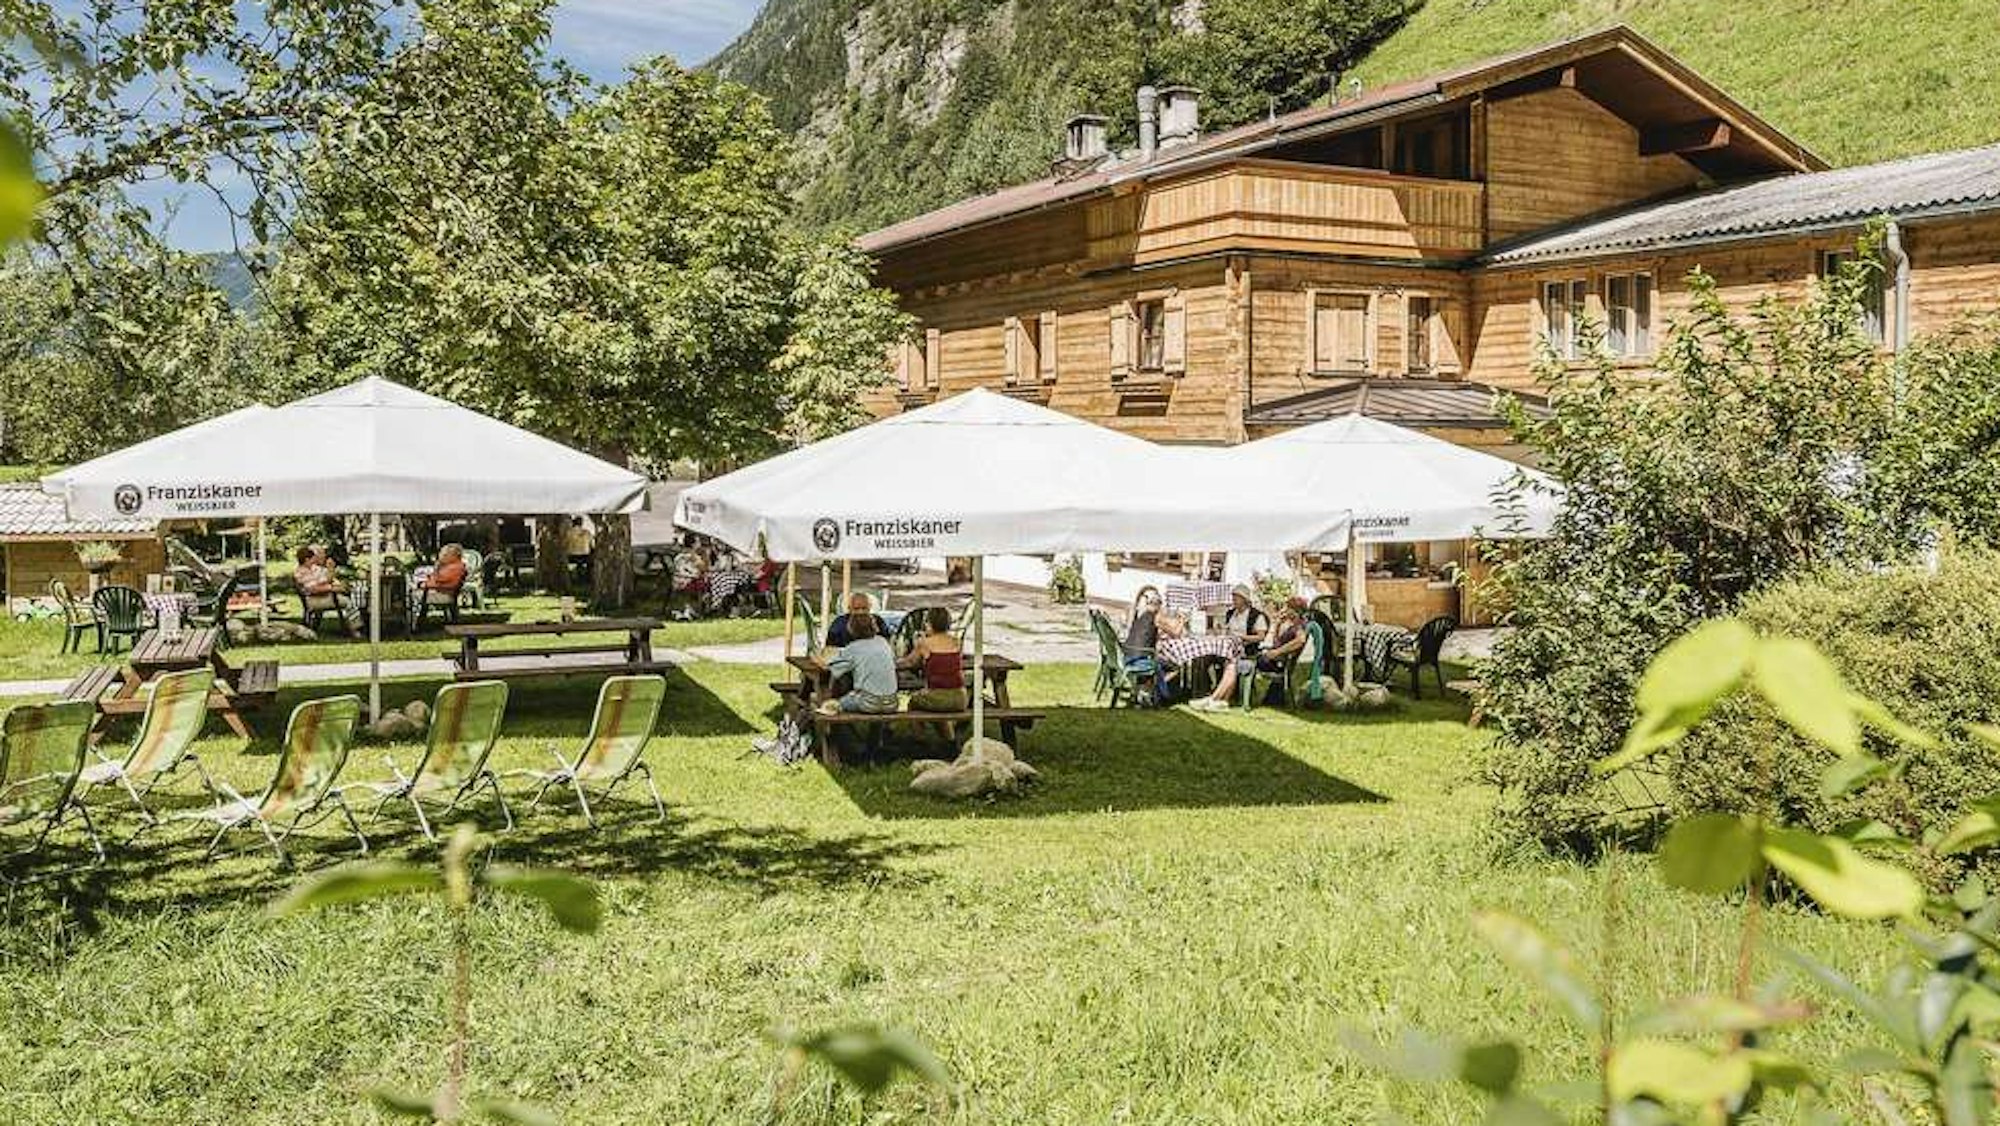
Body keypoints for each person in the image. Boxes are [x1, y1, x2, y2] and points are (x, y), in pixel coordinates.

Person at [1191, 596, 1311, 712]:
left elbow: (1300, 640)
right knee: (1232, 662)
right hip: (1271, 657)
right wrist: (1276, 625)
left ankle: (1214, 699)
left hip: (1275, 662)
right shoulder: (1291, 624)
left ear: (1294, 610)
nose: (1284, 610)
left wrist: (1277, 652)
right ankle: (1221, 701)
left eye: (1287, 608)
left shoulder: (1299, 625)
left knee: (1232, 663)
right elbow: (1276, 642)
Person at [819, 612, 899, 716]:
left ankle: (833, 724)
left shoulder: (853, 648)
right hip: (892, 703)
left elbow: (832, 668)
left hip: (867, 703)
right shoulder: (883, 642)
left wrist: (817, 659)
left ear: (850, 629)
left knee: (836, 703)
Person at [899, 606, 966, 712]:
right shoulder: (956, 642)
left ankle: (916, 723)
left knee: (913, 701)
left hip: (937, 695)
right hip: (960, 697)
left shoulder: (924, 643)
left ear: (930, 624)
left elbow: (909, 662)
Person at [564, 517, 594, 583]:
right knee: (591, 561)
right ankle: (587, 579)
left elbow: (564, 544)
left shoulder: (569, 532)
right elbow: (592, 545)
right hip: (585, 556)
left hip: (571, 556)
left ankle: (574, 578)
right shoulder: (587, 532)